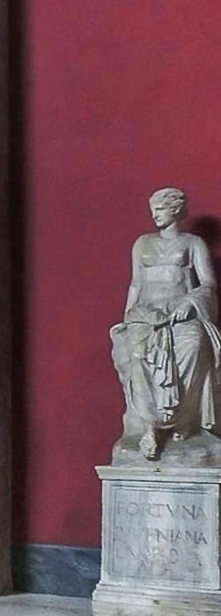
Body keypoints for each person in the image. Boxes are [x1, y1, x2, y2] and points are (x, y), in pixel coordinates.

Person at [110, 187, 221, 461]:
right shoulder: (142, 244)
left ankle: (184, 420)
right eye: (152, 209)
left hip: (180, 316)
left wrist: (189, 303)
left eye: (160, 209)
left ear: (176, 210)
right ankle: (150, 427)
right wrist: (127, 318)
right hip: (146, 316)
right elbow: (136, 284)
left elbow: (208, 284)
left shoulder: (193, 244)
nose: (154, 214)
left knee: (195, 345)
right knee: (137, 353)